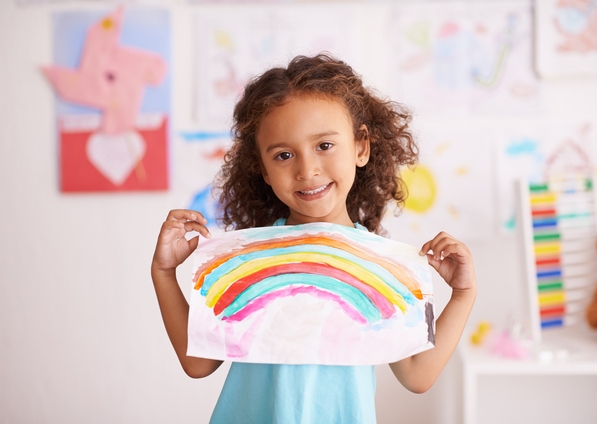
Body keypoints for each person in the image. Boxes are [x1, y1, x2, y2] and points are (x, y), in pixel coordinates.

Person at [151, 53, 476, 423]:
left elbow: (419, 374)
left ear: (361, 146)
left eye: (324, 145)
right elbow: (198, 363)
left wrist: (464, 294)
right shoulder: (247, 258)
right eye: (284, 155)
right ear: (264, 170)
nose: (307, 170)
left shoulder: (379, 265)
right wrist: (164, 273)